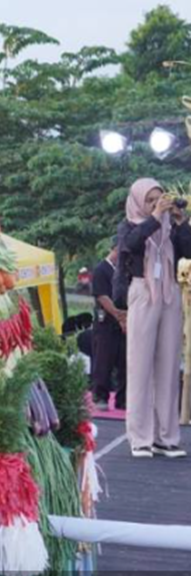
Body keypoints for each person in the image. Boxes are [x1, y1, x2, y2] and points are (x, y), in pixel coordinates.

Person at [116, 178, 191, 459]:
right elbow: (131, 246)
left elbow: (189, 251)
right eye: (149, 200)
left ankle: (166, 437)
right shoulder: (130, 225)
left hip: (170, 293)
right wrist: (155, 217)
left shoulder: (171, 229)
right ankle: (140, 438)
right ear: (137, 201)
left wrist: (180, 222)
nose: (155, 205)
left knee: (169, 366)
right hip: (143, 291)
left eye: (160, 199)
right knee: (140, 365)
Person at [90, 245, 127, 410]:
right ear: (114, 249)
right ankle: (100, 397)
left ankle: (123, 398)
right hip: (106, 322)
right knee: (103, 361)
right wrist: (118, 315)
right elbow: (101, 296)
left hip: (124, 323)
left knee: (125, 362)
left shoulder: (126, 271)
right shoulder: (101, 270)